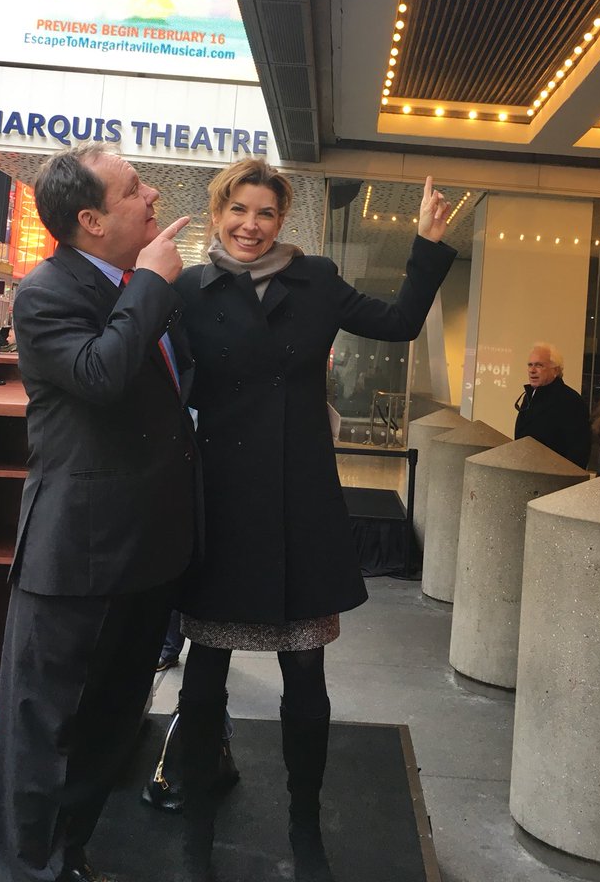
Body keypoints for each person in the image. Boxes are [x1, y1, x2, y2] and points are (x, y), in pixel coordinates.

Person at [146, 160, 455, 881]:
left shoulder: (315, 280)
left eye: (265, 213)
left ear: (282, 220)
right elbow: (146, 374)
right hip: (220, 505)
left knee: (307, 675)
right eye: (238, 210)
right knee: (204, 679)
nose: (251, 225)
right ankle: (195, 833)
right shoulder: (187, 289)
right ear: (218, 213)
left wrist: (428, 243)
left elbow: (399, 322)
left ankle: (305, 830)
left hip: (300, 503)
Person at [0, 145, 197, 882]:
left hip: (147, 551)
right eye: (134, 188)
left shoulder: (144, 285)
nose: (152, 195)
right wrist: (151, 285)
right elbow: (100, 375)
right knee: (47, 729)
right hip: (78, 554)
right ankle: (34, 868)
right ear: (91, 219)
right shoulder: (47, 291)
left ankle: (68, 855)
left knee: (110, 723)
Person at [513, 342, 591, 467]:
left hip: (552, 474)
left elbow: (578, 452)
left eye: (539, 365)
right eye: (530, 365)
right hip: (524, 470)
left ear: (555, 370)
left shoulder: (571, 401)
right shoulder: (530, 396)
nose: (532, 370)